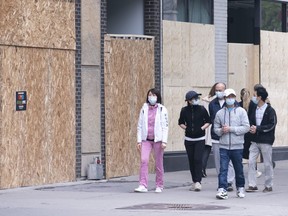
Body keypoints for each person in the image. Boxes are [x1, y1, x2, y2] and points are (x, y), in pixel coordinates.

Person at [214, 89, 250, 199]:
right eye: (228, 97)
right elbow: (215, 128)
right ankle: (222, 189)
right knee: (223, 169)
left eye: (232, 96)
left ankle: (240, 187)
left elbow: (246, 127)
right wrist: (221, 131)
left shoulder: (241, 111)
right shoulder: (220, 113)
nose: (230, 99)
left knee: (238, 169)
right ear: (224, 98)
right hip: (224, 146)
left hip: (237, 146)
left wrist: (231, 129)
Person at [134, 88, 169, 193]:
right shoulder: (144, 108)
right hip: (146, 139)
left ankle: (159, 185)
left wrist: (164, 141)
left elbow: (165, 126)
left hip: (158, 140)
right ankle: (143, 185)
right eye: (149, 95)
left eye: (153, 95)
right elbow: (140, 125)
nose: (151, 97)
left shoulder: (162, 109)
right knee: (144, 160)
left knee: (158, 163)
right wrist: (139, 140)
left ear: (157, 97)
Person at [178, 90, 211, 191]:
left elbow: (208, 121)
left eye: (197, 98)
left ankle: (198, 181)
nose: (196, 100)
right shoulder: (184, 110)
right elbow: (180, 122)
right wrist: (186, 128)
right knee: (191, 160)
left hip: (200, 138)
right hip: (188, 139)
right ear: (189, 100)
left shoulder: (202, 109)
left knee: (197, 159)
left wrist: (202, 128)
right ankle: (194, 181)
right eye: (194, 98)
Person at [246, 86, 277, 193]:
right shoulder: (254, 108)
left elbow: (271, 125)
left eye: (255, 96)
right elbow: (250, 120)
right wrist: (251, 127)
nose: (253, 98)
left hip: (266, 140)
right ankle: (252, 184)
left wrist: (258, 128)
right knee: (251, 161)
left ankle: (268, 185)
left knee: (267, 163)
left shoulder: (270, 110)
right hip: (254, 140)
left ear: (259, 97)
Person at [209, 82, 235, 191]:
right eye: (217, 90)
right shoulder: (212, 104)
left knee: (229, 160)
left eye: (221, 90)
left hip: (229, 135)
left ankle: (229, 181)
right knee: (218, 160)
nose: (218, 92)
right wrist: (219, 129)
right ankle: (222, 181)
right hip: (216, 135)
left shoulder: (233, 103)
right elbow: (212, 119)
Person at [240, 87, 262, 178]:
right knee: (252, 153)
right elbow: (255, 118)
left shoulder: (238, 105)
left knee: (240, 152)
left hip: (241, 131)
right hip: (250, 131)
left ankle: (239, 171)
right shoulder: (253, 105)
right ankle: (254, 171)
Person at [201, 84, 217, 177]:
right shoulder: (217, 101)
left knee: (206, 149)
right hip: (214, 126)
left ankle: (202, 169)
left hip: (207, 125)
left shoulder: (205, 100)